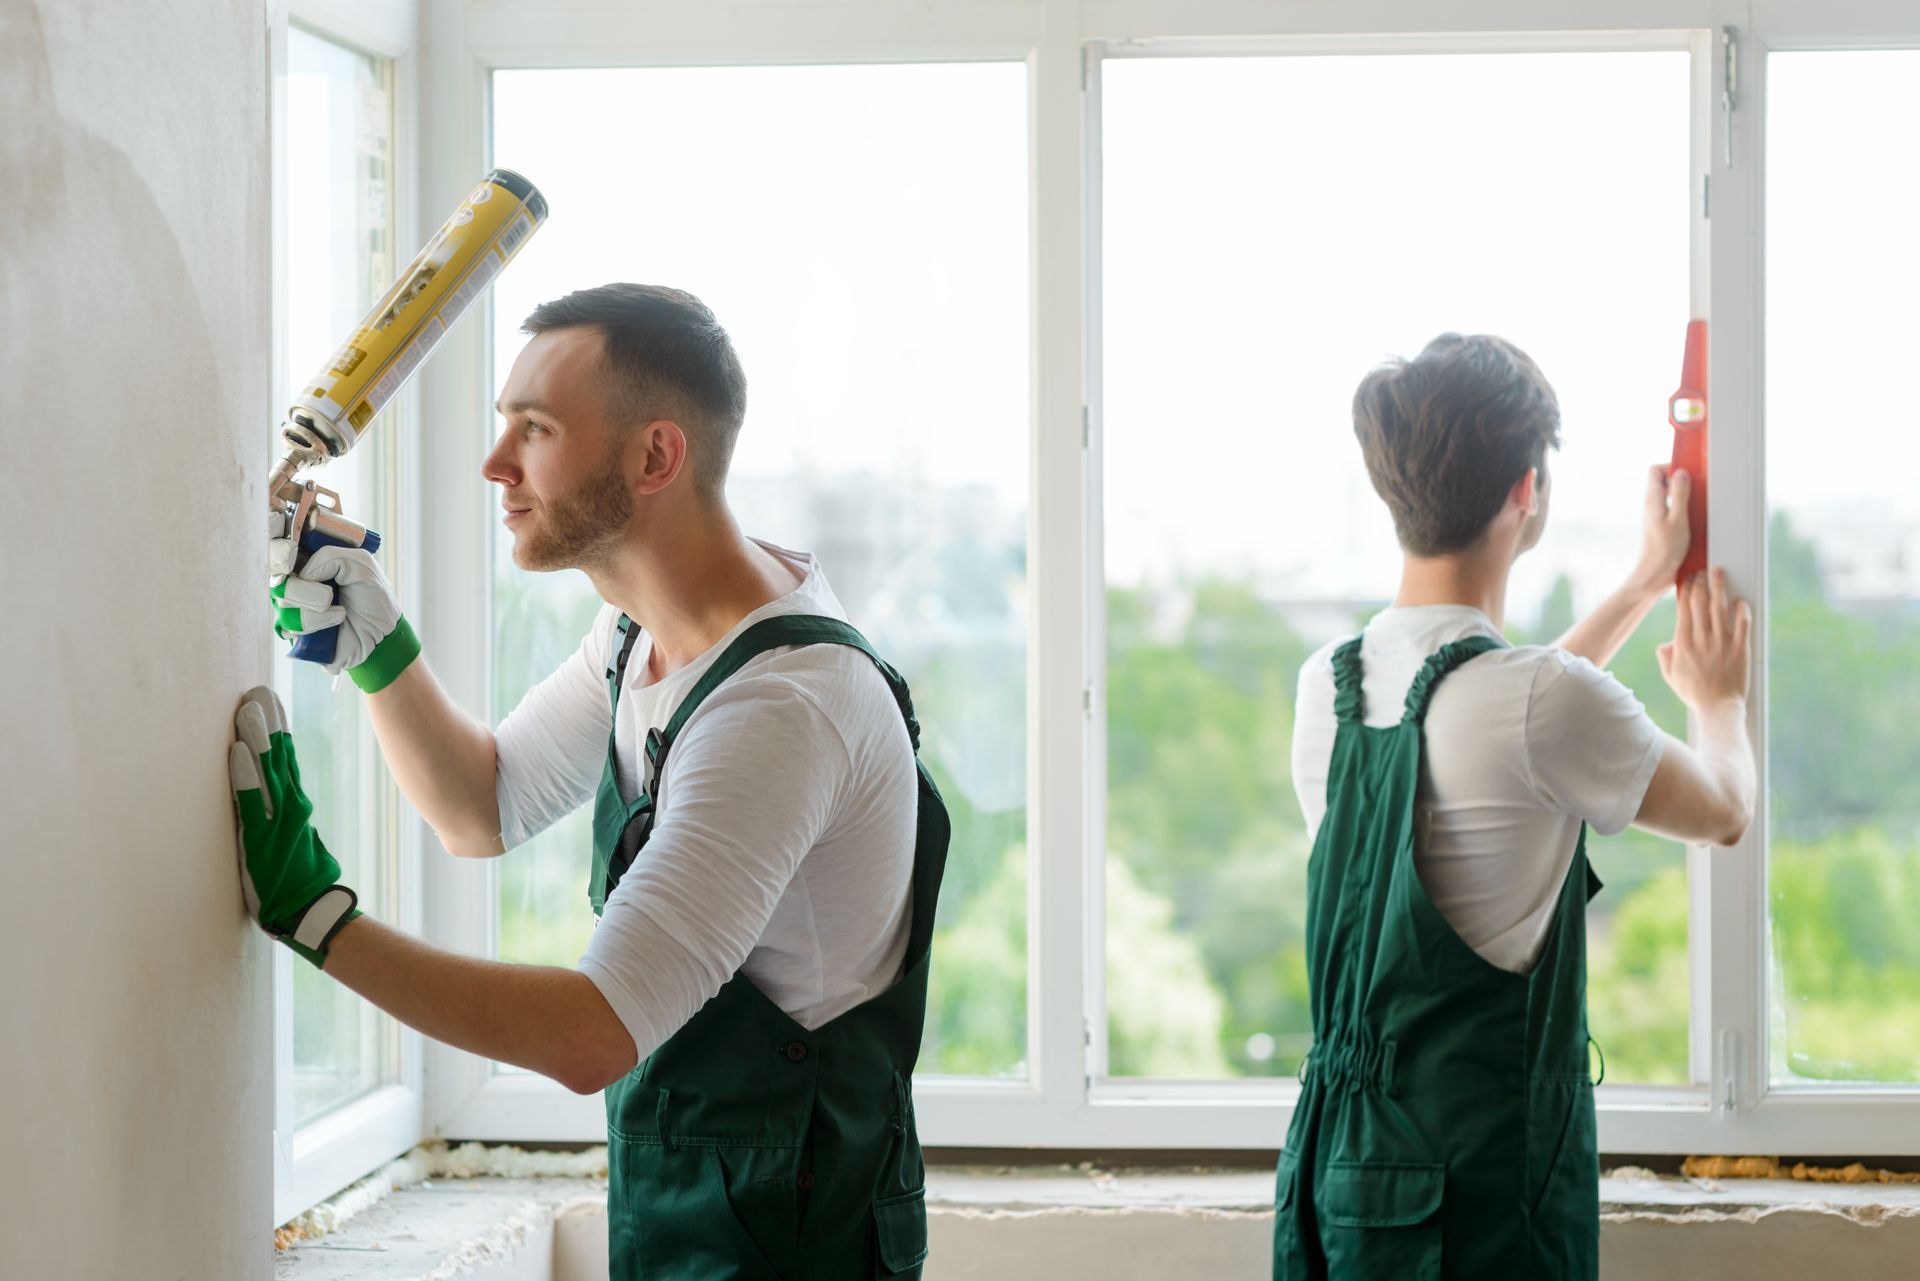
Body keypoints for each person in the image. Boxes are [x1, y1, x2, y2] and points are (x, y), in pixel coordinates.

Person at [231, 283, 946, 1280]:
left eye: (536, 429)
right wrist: (378, 649)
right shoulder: (640, 636)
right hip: (697, 1219)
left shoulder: (780, 708)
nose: (495, 464)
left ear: (655, 455)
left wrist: (318, 918)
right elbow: (483, 807)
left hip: (795, 1247)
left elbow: (589, 1033)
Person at [1272, 333, 1755, 1280]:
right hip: (1479, 1212)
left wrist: (1641, 585)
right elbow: (1725, 808)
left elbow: (1503, 717)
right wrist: (1718, 700)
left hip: (1337, 1189)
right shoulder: (1534, 702)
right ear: (1526, 491)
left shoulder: (1325, 686)